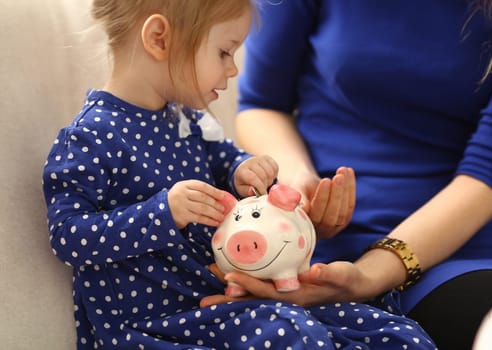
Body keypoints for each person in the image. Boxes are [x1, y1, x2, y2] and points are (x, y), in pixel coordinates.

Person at [42, 1, 437, 349]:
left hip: (220, 301)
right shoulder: (91, 137)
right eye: (225, 51)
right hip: (155, 323)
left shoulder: (186, 120)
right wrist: (163, 212)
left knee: (386, 330)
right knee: (291, 333)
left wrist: (245, 170)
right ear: (160, 38)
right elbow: (67, 237)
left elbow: (228, 161)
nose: (233, 69)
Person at [199, 1, 492, 349]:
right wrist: (296, 182)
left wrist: (372, 273)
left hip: (475, 250)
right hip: (316, 249)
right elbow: (261, 105)